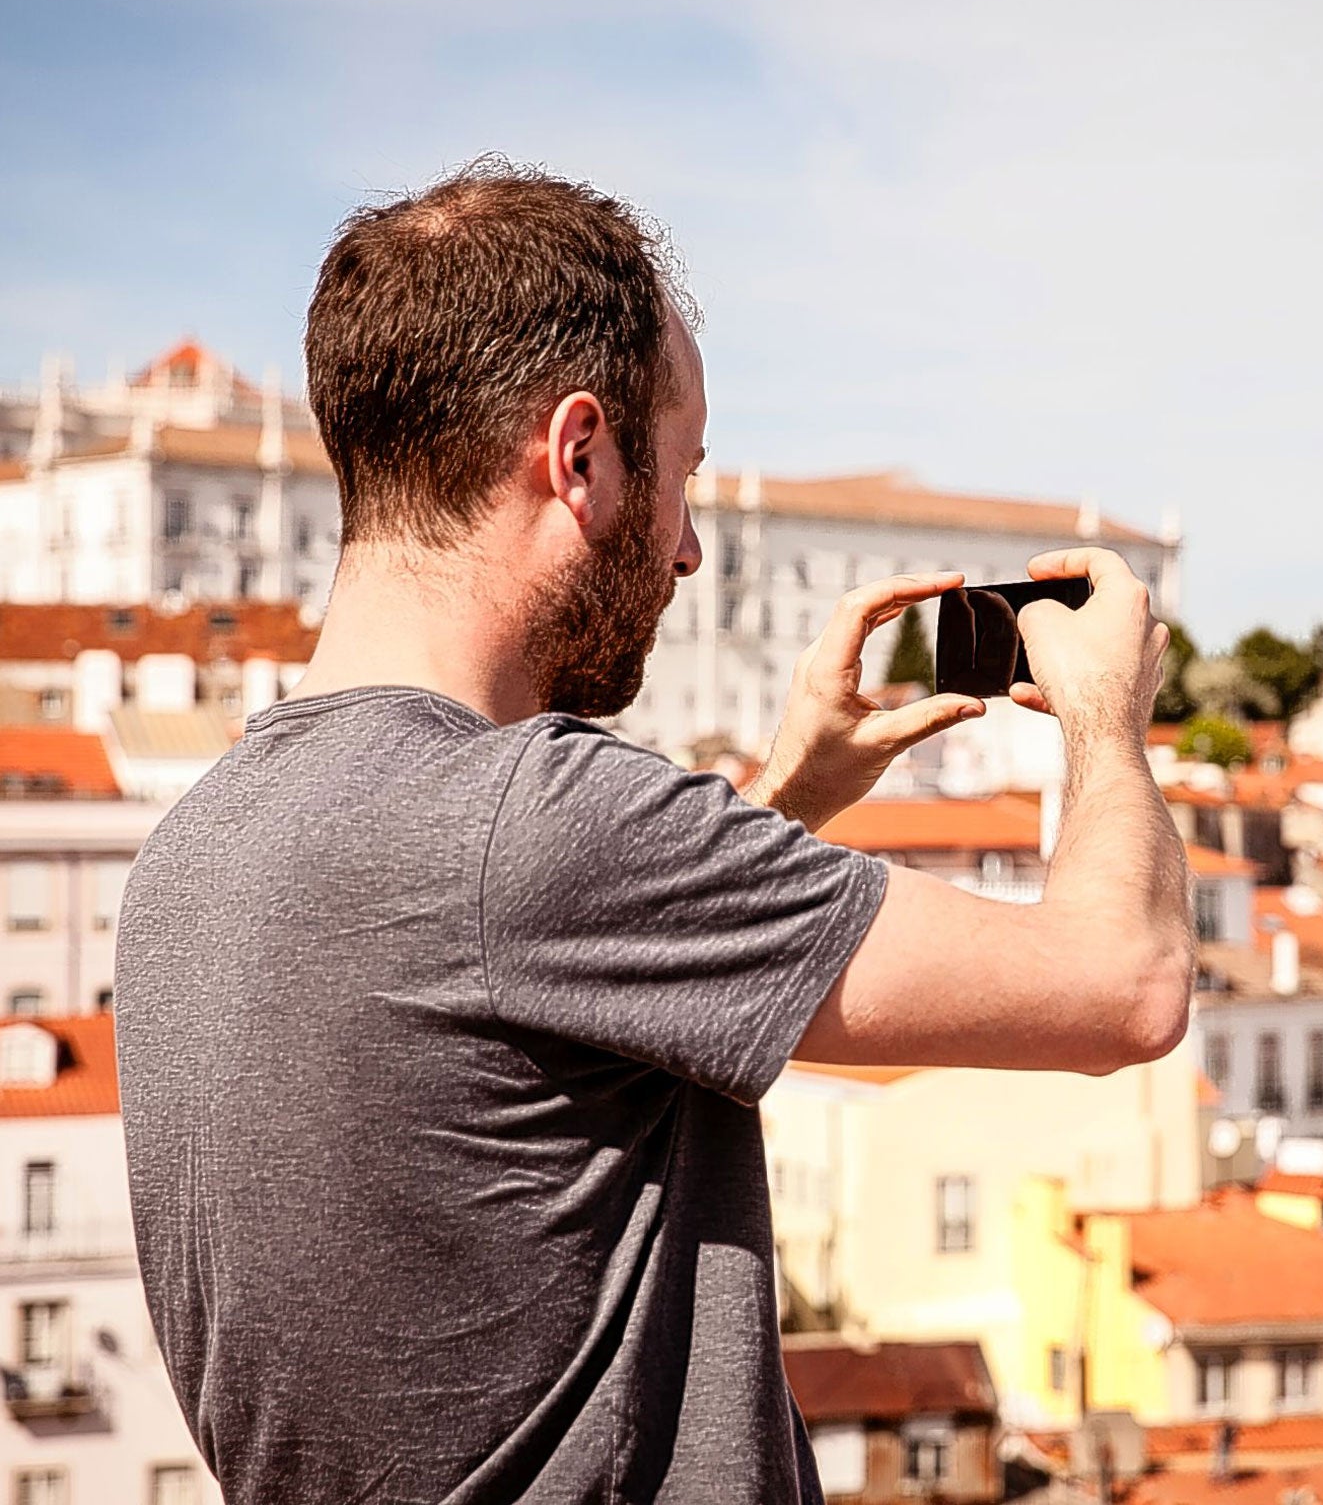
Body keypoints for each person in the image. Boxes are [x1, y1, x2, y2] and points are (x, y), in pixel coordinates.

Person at [112, 159, 1194, 1505]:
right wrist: (1109, 717)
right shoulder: (535, 820)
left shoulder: (190, 856)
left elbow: (525, 1032)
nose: (686, 550)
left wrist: (780, 804)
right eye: (678, 474)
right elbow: (1126, 989)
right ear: (579, 457)